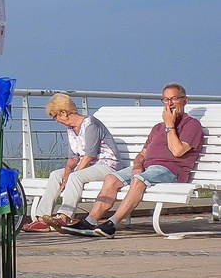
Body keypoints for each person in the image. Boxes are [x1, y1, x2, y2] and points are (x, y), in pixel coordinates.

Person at [63, 84, 205, 238]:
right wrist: (137, 165)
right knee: (111, 178)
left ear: (185, 100)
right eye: (166, 100)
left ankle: (112, 224)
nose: (169, 104)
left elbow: (177, 151)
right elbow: (142, 153)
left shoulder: (191, 125)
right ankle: (89, 222)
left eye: (174, 99)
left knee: (138, 180)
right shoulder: (158, 128)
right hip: (147, 167)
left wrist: (170, 125)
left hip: (171, 170)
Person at [21, 94, 118, 232]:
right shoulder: (71, 130)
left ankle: (64, 216)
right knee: (56, 175)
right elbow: (73, 157)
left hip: (107, 165)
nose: (56, 121)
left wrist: (72, 175)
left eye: (56, 116)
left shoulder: (90, 124)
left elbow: (90, 155)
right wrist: (66, 174)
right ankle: (42, 218)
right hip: (89, 166)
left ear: (64, 112)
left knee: (75, 177)